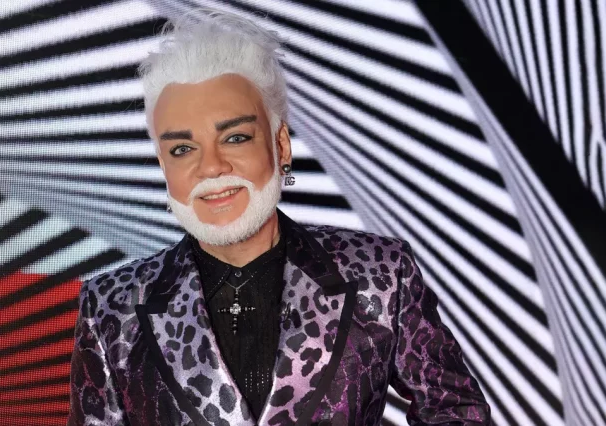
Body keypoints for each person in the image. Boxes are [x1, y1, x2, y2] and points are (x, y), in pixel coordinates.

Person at [68, 9, 491, 426]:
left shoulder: (380, 274)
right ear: (164, 166)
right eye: (182, 149)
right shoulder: (111, 307)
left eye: (235, 137)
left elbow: (458, 413)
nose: (211, 166)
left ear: (280, 145)